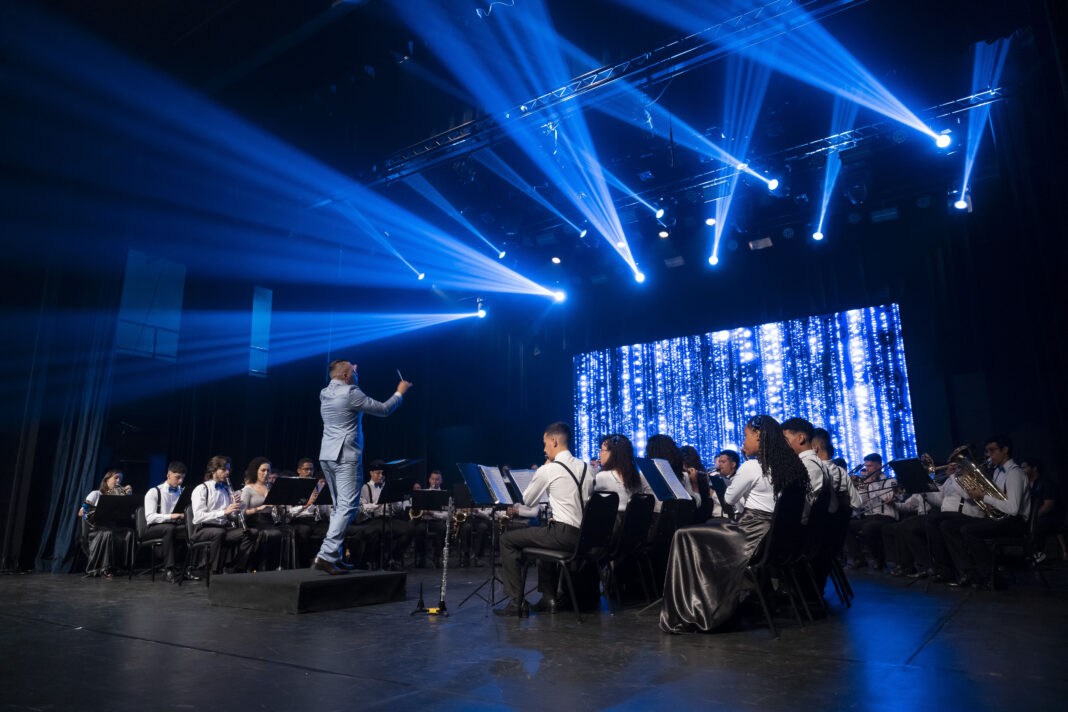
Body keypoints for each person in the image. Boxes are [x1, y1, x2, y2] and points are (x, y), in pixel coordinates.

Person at [659, 414, 809, 633]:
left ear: (759, 436)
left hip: (751, 536)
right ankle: (710, 602)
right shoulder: (791, 466)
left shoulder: (752, 467)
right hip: (773, 538)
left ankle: (692, 610)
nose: (744, 441)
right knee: (704, 532)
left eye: (746, 435)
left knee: (684, 535)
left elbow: (729, 499)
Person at [312, 359, 410, 574]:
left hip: (327, 455)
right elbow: (383, 409)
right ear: (347, 375)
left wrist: (350, 376)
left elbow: (345, 391)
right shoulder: (351, 393)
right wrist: (399, 392)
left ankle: (334, 556)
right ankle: (326, 556)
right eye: (352, 372)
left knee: (339, 507)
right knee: (348, 507)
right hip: (345, 455)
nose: (356, 374)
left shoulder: (325, 392)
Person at [496, 422, 594, 617]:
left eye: (545, 443)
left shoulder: (548, 469)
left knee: (507, 540)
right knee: (542, 535)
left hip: (562, 535)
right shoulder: (587, 468)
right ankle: (549, 598)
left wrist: (543, 469)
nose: (544, 449)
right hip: (583, 537)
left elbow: (528, 500)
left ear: (554, 441)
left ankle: (516, 603)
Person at [941, 437, 1031, 588]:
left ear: (1005, 450)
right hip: (1000, 519)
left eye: (992, 450)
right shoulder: (997, 472)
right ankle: (969, 572)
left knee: (968, 530)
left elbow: (1013, 509)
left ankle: (992, 576)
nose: (988, 454)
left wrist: (983, 496)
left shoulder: (1015, 473)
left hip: (1015, 522)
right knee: (947, 525)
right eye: (987, 451)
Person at [190, 456, 259, 574]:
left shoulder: (226, 490)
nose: (227, 473)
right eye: (223, 470)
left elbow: (230, 516)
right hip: (203, 529)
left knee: (251, 533)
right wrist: (224, 512)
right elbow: (198, 517)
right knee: (218, 533)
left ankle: (234, 566)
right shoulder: (201, 489)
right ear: (213, 470)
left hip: (223, 528)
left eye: (228, 470)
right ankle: (215, 571)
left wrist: (237, 507)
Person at [844, 453, 899, 570]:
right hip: (870, 516)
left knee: (869, 527)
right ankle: (859, 559)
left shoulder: (890, 481)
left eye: (870, 466)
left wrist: (873, 483)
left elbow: (888, 498)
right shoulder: (867, 482)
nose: (867, 469)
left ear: (879, 466)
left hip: (886, 516)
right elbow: (860, 504)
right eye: (866, 466)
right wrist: (862, 487)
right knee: (847, 526)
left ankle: (878, 559)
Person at [78, 469, 134, 577]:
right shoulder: (95, 494)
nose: (118, 481)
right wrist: (99, 511)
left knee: (129, 532)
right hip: (97, 530)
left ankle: (124, 567)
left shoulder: (118, 497)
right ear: (107, 480)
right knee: (108, 533)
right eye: (116, 478)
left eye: (120, 479)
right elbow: (81, 512)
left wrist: (128, 497)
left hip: (112, 528)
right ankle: (105, 568)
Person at [142, 461, 189, 582]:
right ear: (168, 475)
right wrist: (171, 516)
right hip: (153, 528)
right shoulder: (154, 492)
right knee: (169, 528)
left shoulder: (181, 492)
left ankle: (186, 567)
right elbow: (150, 517)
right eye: (177, 477)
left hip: (174, 526)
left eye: (182, 478)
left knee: (190, 528)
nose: (180, 481)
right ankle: (168, 569)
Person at [240, 457, 284, 570]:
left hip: (269, 520)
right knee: (271, 534)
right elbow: (242, 513)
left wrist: (278, 506)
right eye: (263, 470)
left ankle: (274, 566)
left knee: (284, 532)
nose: (266, 473)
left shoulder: (271, 487)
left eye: (268, 471)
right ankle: (261, 567)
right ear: (256, 471)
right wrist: (260, 508)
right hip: (254, 521)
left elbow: (279, 512)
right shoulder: (248, 489)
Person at [780, 417, 826, 523]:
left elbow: (798, 509)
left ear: (801, 438)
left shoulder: (806, 465)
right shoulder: (816, 462)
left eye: (785, 439)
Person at [1022, 458, 1066, 562]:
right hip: (1038, 517)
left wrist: (1031, 518)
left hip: (1051, 518)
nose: (1021, 470)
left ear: (1035, 468)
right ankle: (1029, 554)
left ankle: (1037, 552)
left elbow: (1048, 506)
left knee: (1038, 524)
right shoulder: (1028, 484)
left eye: (1024, 467)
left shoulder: (1046, 483)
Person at [289, 459, 328, 567]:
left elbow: (324, 510)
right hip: (298, 519)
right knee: (304, 531)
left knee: (329, 531)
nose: (309, 472)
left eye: (311, 469)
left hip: (314, 520)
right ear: (299, 470)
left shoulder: (317, 485)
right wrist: (304, 506)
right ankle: (304, 564)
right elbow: (289, 512)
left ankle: (322, 561)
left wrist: (319, 502)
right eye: (306, 469)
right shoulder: (293, 484)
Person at [593, 434, 643, 515]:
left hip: (611, 525)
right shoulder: (635, 476)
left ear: (612, 453)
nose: (599, 454)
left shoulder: (603, 476)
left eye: (602, 450)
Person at [412, 470, 448, 568]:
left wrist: (433, 514)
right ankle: (422, 556)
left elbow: (446, 515)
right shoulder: (422, 493)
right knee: (419, 529)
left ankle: (437, 556)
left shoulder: (444, 495)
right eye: (433, 479)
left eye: (437, 479)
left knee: (443, 528)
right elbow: (415, 509)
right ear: (429, 480)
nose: (434, 481)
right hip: (423, 519)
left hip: (436, 521)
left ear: (441, 481)